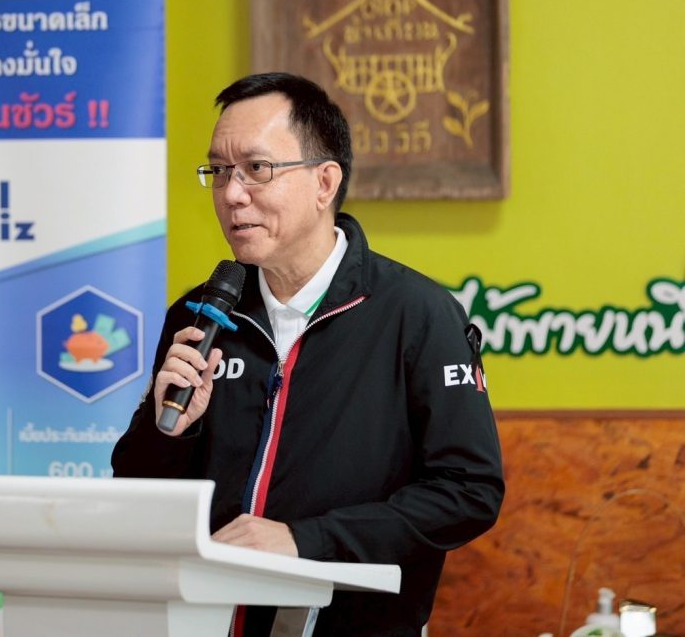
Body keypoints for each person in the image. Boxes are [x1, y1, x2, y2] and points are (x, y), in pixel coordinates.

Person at [111, 72, 504, 636]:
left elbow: (468, 491)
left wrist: (306, 541)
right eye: (219, 171)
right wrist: (170, 433)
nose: (231, 194)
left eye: (256, 168)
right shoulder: (200, 316)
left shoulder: (416, 314)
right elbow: (137, 491)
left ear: (325, 182)